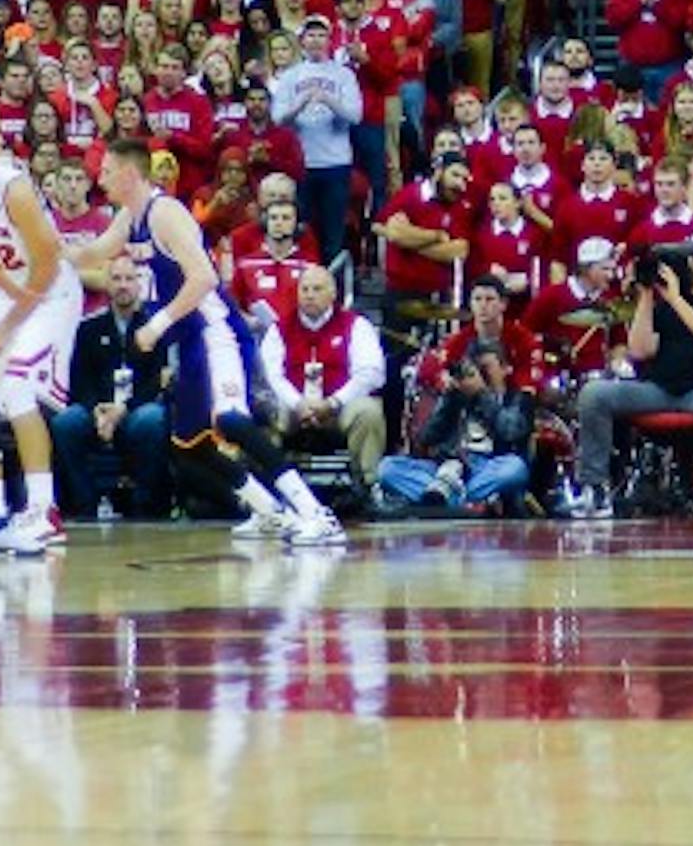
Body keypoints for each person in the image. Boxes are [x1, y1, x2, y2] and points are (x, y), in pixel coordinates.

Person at [76, 134, 345, 545]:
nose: (100, 178)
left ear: (130, 174)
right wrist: (37, 249)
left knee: (231, 421)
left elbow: (203, 277)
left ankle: (314, 511)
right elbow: (94, 251)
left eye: (107, 171)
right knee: (189, 444)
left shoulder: (164, 212)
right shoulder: (129, 215)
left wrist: (156, 325)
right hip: (189, 340)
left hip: (215, 331)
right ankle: (269, 510)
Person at [570, 229, 693, 517]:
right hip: (660, 388)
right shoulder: (667, 303)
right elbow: (640, 351)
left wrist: (676, 300)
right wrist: (646, 295)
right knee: (595, 394)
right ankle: (594, 487)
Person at [0, 144, 86, 553]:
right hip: (8, 293)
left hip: (50, 294)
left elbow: (47, 264)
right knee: (0, 397)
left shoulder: (12, 188)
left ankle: (44, 510)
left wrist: (7, 326)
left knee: (17, 388)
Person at [49, 250, 171, 520]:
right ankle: (82, 505)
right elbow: (79, 379)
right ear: (107, 284)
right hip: (98, 409)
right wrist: (98, 410)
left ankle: (145, 506)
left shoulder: (154, 327)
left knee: (152, 419)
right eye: (116, 278)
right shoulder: (87, 329)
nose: (123, 285)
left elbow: (157, 382)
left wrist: (123, 410)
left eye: (129, 278)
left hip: (136, 409)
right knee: (66, 422)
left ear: (140, 284)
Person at [257, 263, 388, 501]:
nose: (309, 295)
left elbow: (371, 373)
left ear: (333, 293)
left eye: (317, 289)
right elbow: (270, 376)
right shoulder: (279, 330)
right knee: (263, 411)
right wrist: (299, 404)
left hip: (339, 409)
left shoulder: (356, 325)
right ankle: (268, 488)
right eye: (304, 289)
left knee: (369, 411)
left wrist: (334, 402)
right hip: (294, 409)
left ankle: (367, 487)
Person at [376, 332, 536, 517]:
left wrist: (483, 395)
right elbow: (426, 438)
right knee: (387, 468)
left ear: (505, 369)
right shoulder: (458, 397)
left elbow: (510, 432)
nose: (480, 375)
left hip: (486, 469)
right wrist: (450, 400)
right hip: (447, 467)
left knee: (515, 468)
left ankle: (443, 500)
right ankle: (460, 502)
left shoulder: (518, 398)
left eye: (486, 368)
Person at [268, 14, 364, 269]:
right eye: (311, 35)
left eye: (321, 35)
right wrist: (299, 105)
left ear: (329, 39)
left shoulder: (343, 75)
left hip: (336, 163)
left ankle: (333, 289)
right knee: (304, 231)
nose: (316, 40)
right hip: (302, 164)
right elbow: (278, 118)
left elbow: (356, 116)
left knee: (334, 233)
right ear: (301, 40)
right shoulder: (291, 77)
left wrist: (328, 100)